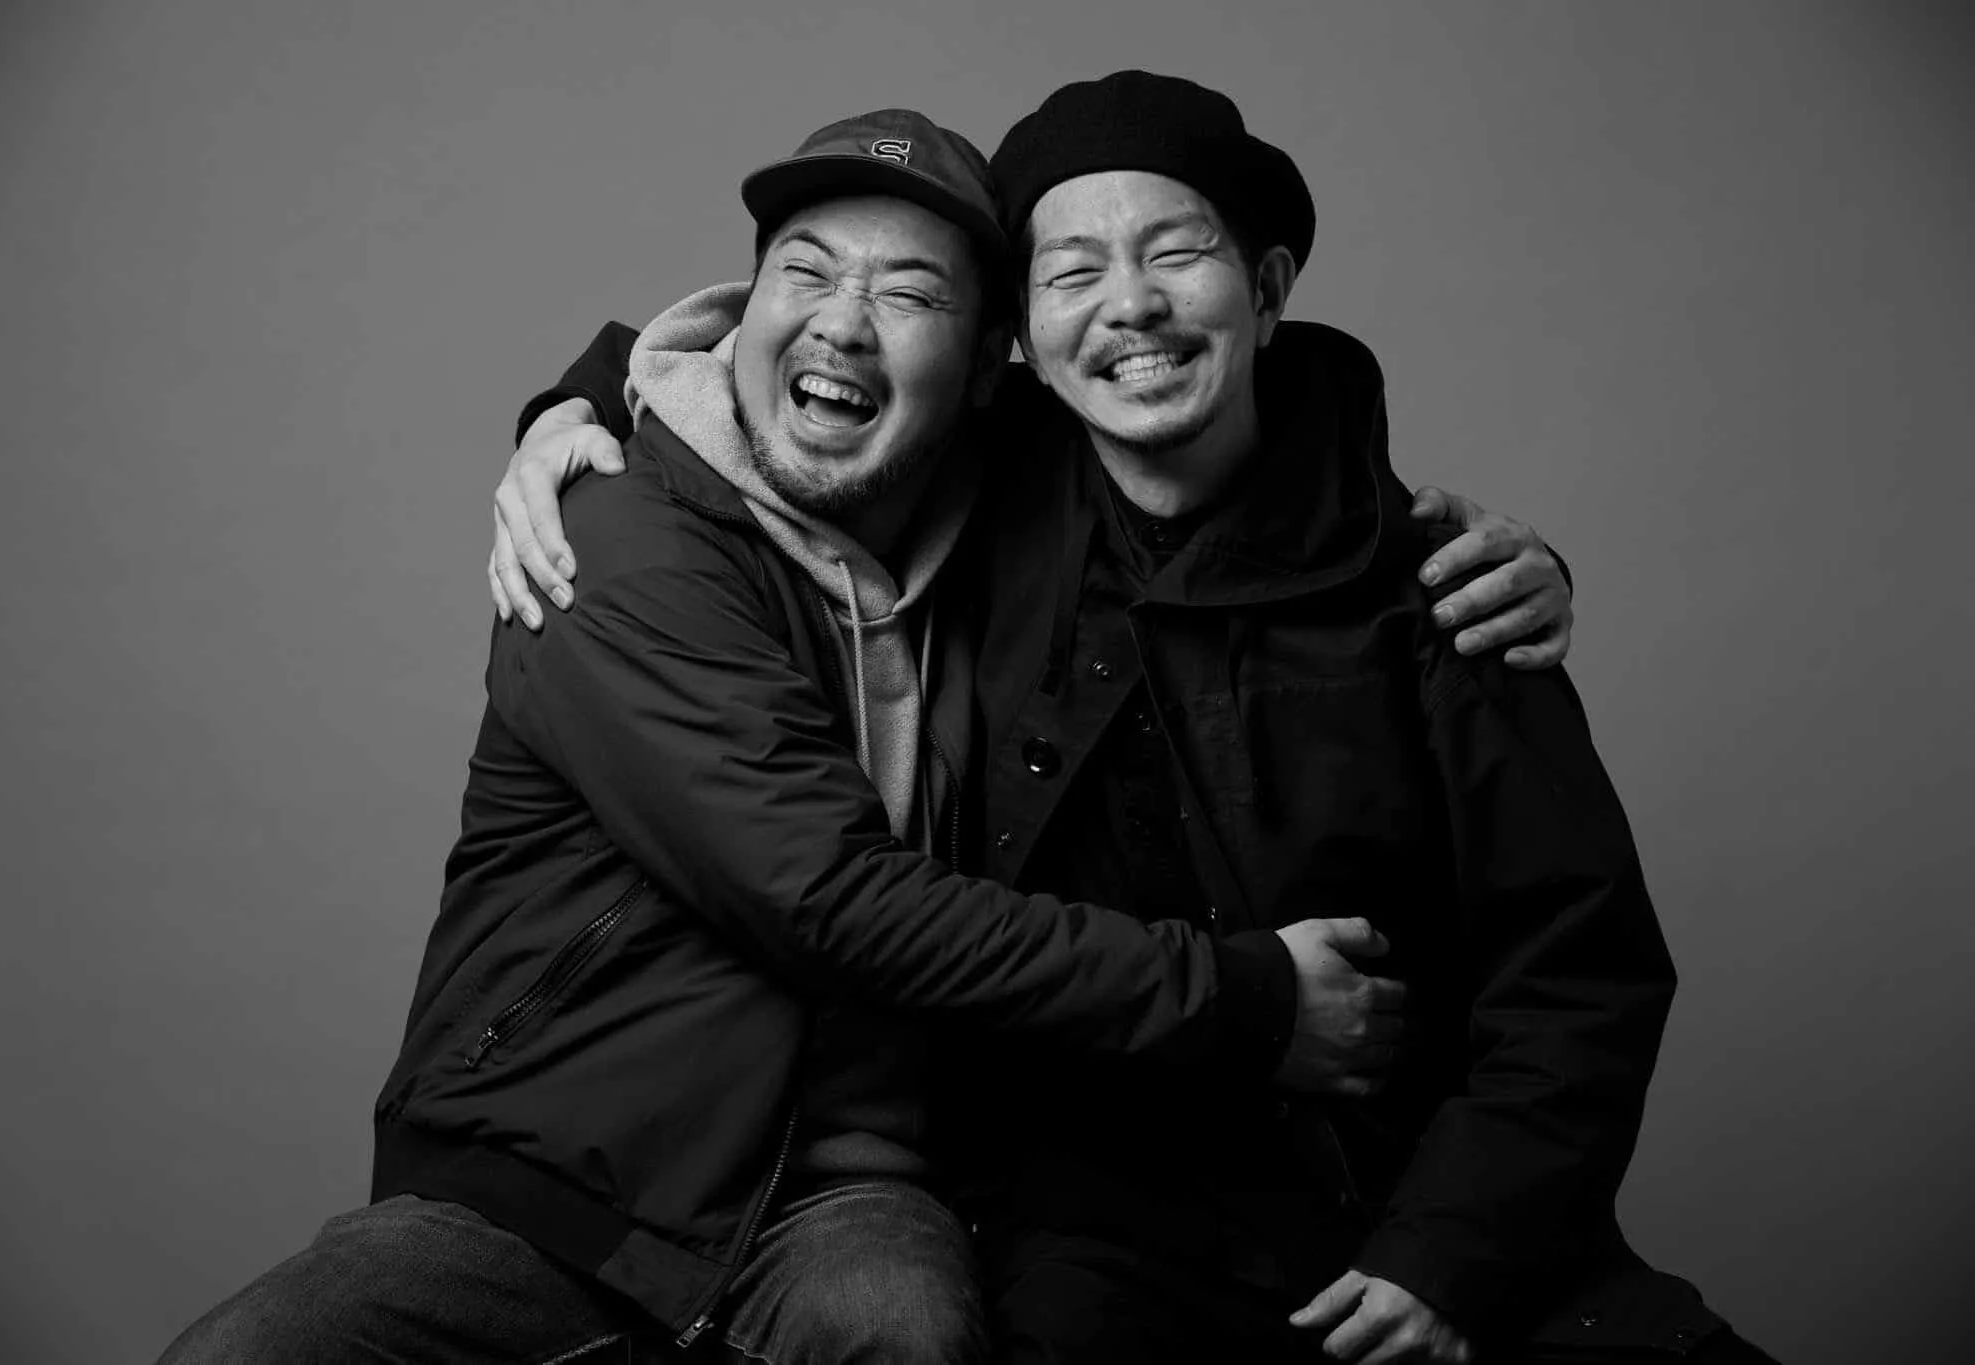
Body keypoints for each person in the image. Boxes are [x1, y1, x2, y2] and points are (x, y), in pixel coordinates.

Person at [492, 72, 1776, 1365]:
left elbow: (1578, 973)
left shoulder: (1434, 590)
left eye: (1175, 253)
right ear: (1022, 337)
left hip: (1412, 1199)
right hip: (1098, 1233)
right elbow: (772, 391)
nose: (1130, 306)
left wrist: (1449, 1257)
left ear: (1266, 290)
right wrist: (574, 411)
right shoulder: (969, 510)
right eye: (1072, 273)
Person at [160, 108, 1380, 1365]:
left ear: (985, 371)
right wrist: (1244, 999)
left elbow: (1219, 396)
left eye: (908, 294)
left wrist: (1428, 540)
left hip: (849, 1190)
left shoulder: (1003, 512)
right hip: (548, 1181)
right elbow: (825, 896)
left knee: (908, 1339)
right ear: (740, 314)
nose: (843, 323)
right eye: (806, 273)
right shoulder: (611, 541)